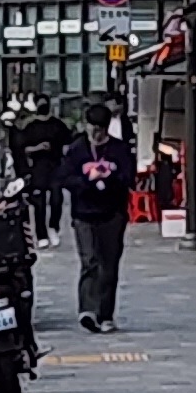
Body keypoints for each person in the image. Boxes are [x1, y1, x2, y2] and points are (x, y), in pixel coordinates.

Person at [69, 115, 139, 331]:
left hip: (112, 213)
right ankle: (87, 310)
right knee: (89, 260)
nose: (96, 134)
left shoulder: (119, 150)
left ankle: (105, 314)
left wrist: (109, 178)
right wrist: (86, 181)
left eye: (100, 129)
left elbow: (129, 178)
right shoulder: (77, 149)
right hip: (83, 213)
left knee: (109, 265)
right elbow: (64, 177)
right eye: (93, 129)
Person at [11, 101, 73, 239]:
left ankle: (53, 226)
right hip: (38, 167)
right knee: (40, 202)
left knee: (57, 198)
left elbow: (68, 143)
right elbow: (23, 149)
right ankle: (41, 234)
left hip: (55, 166)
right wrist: (38, 148)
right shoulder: (30, 126)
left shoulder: (57, 124)